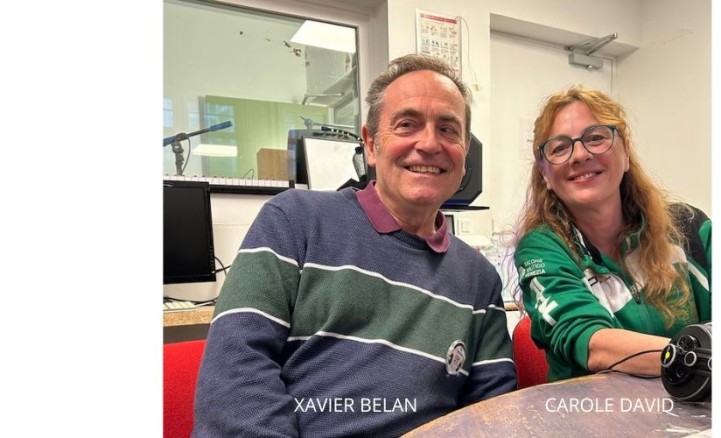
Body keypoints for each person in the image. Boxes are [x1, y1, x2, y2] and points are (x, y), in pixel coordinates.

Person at [193, 54, 517, 437]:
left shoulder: (479, 279)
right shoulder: (294, 221)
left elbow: (491, 413)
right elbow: (235, 378)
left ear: (464, 156)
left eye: (448, 129)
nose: (430, 143)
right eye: (407, 124)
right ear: (371, 145)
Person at [513, 85, 711, 381]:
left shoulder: (690, 227)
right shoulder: (541, 248)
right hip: (595, 408)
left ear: (626, 152)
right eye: (559, 148)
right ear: (545, 174)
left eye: (596, 138)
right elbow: (594, 344)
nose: (579, 154)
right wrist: (701, 360)